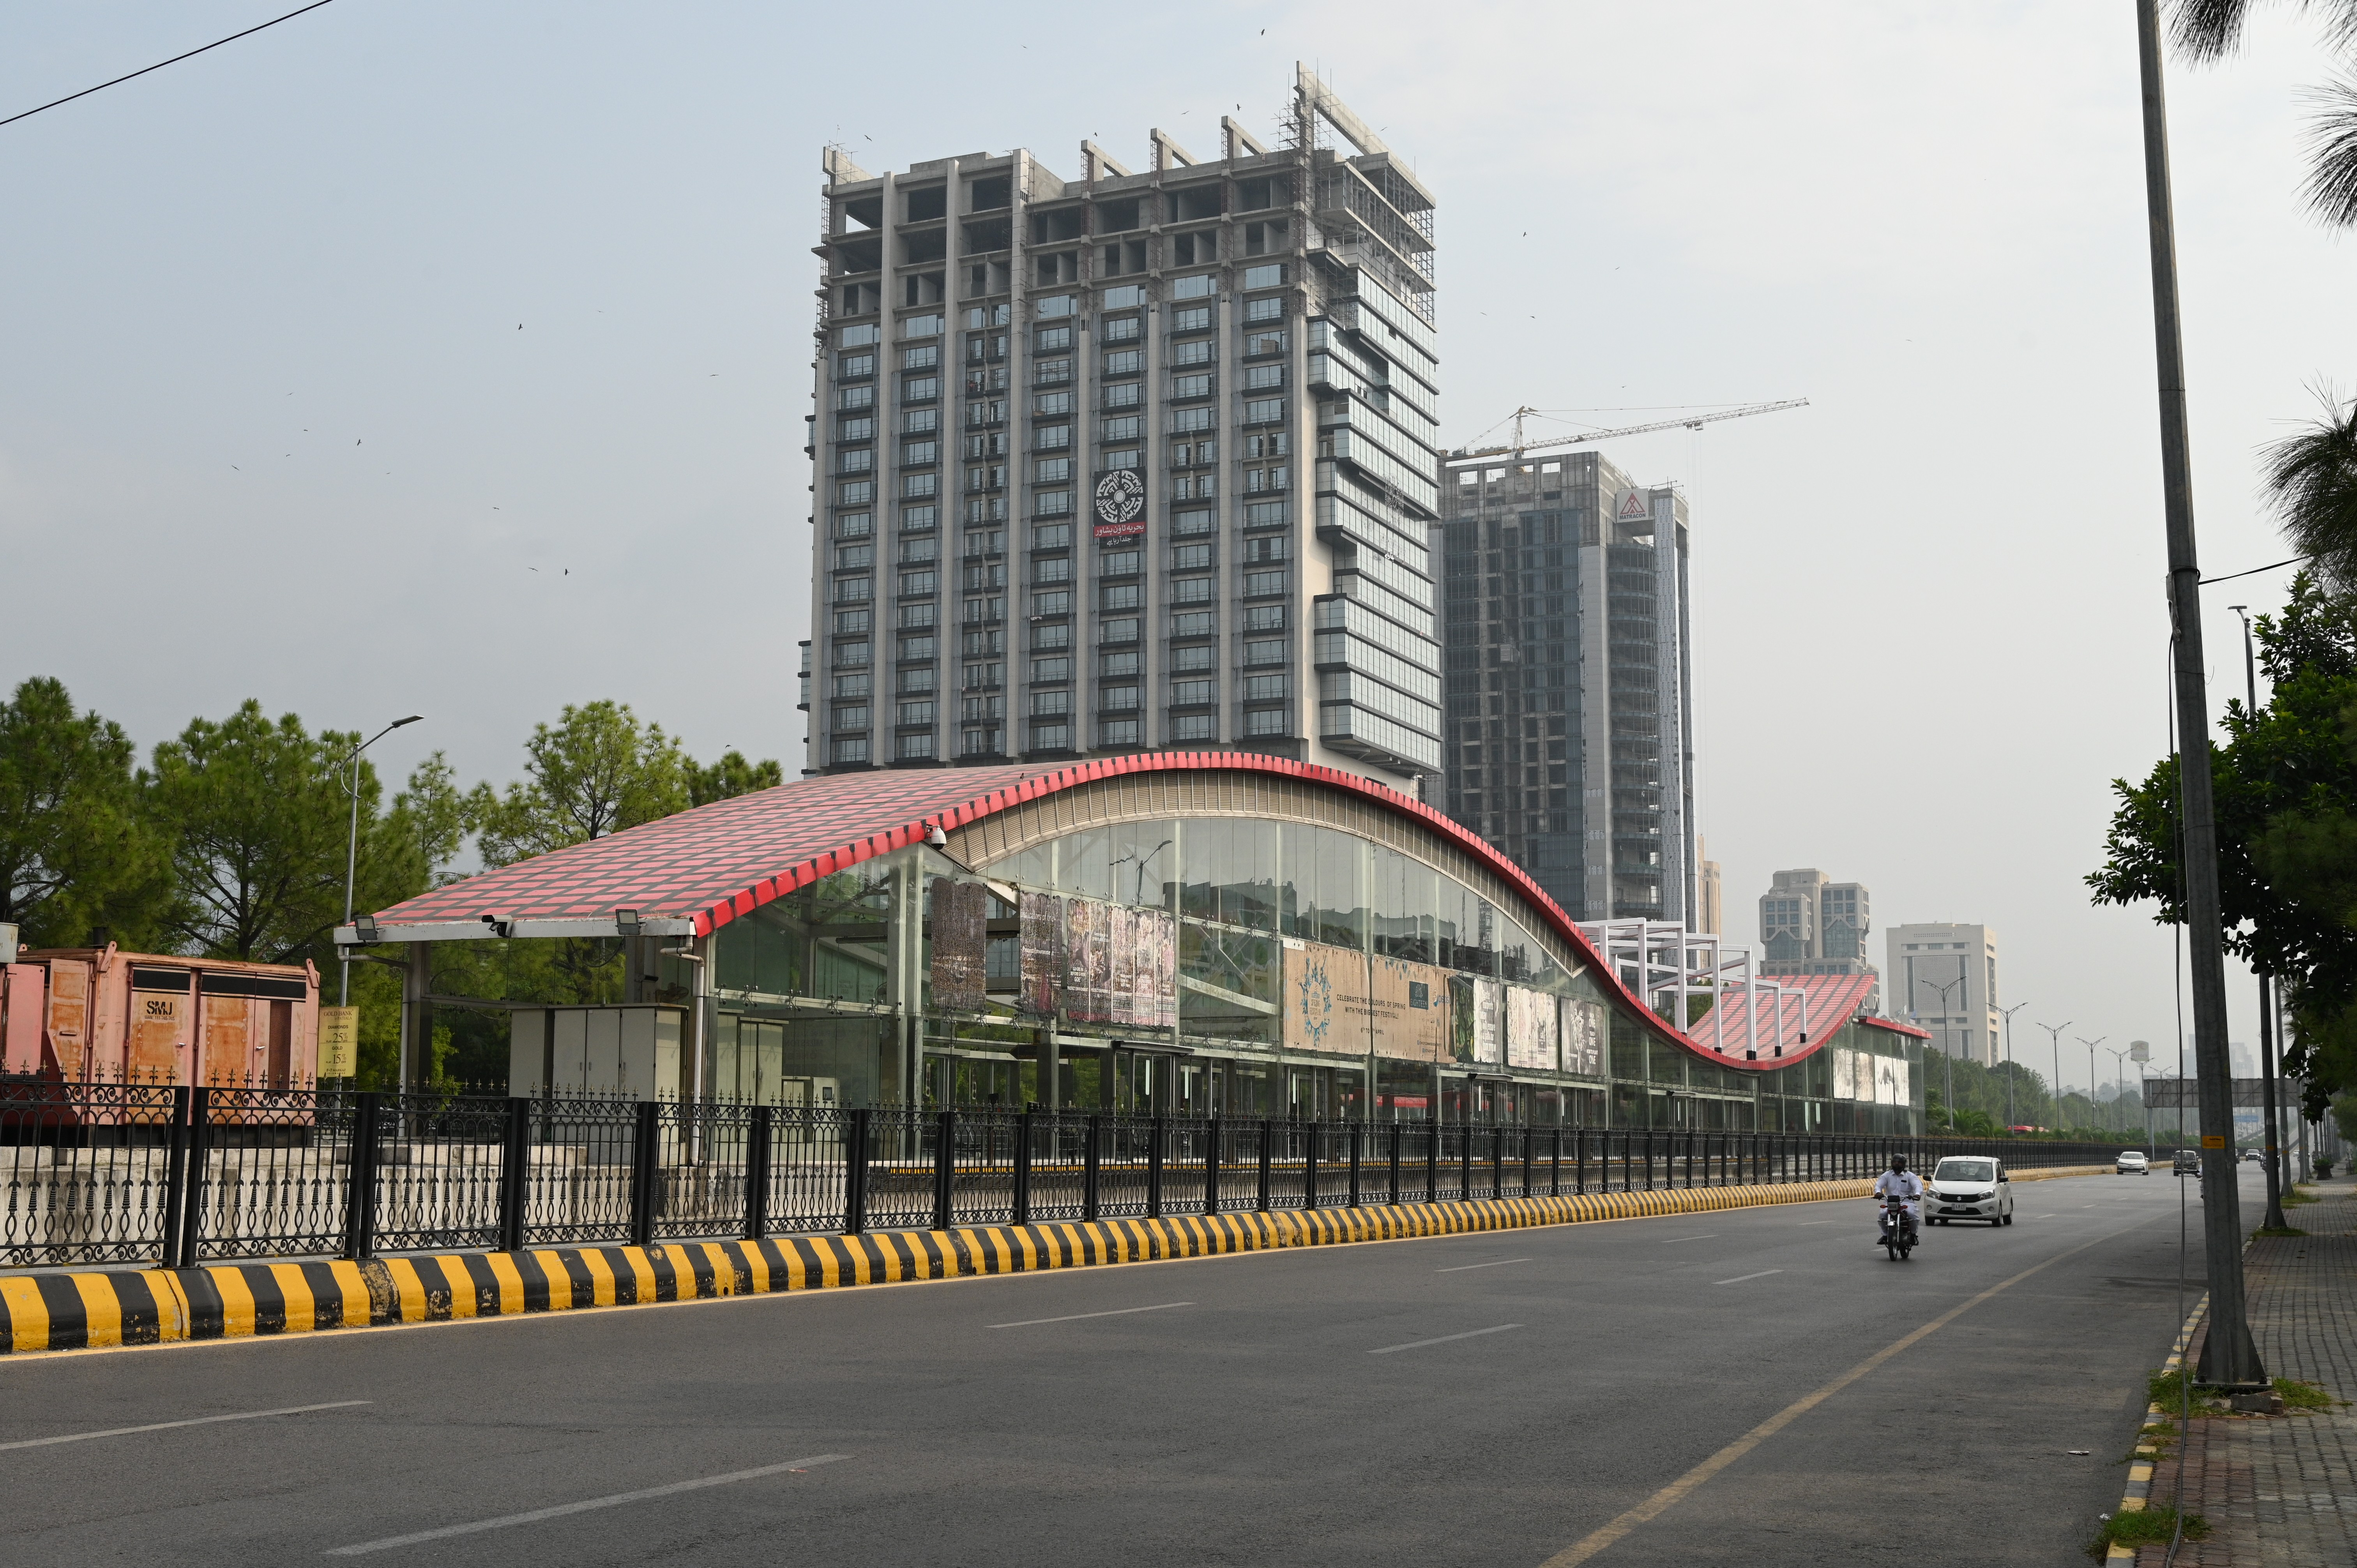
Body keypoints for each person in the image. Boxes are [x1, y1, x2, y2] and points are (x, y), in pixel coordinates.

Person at [1872, 1153, 1924, 1247]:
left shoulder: (1910, 1176)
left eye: (1899, 1163)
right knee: (1882, 1216)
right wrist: (1878, 1192)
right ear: (1892, 1163)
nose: (1897, 1165)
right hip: (1890, 1202)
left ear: (1904, 1164)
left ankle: (1913, 1235)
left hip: (1906, 1202)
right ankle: (1885, 1235)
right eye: (1895, 1162)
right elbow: (1879, 1185)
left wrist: (1917, 1194)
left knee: (1913, 1215)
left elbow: (1918, 1186)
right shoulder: (1887, 1175)